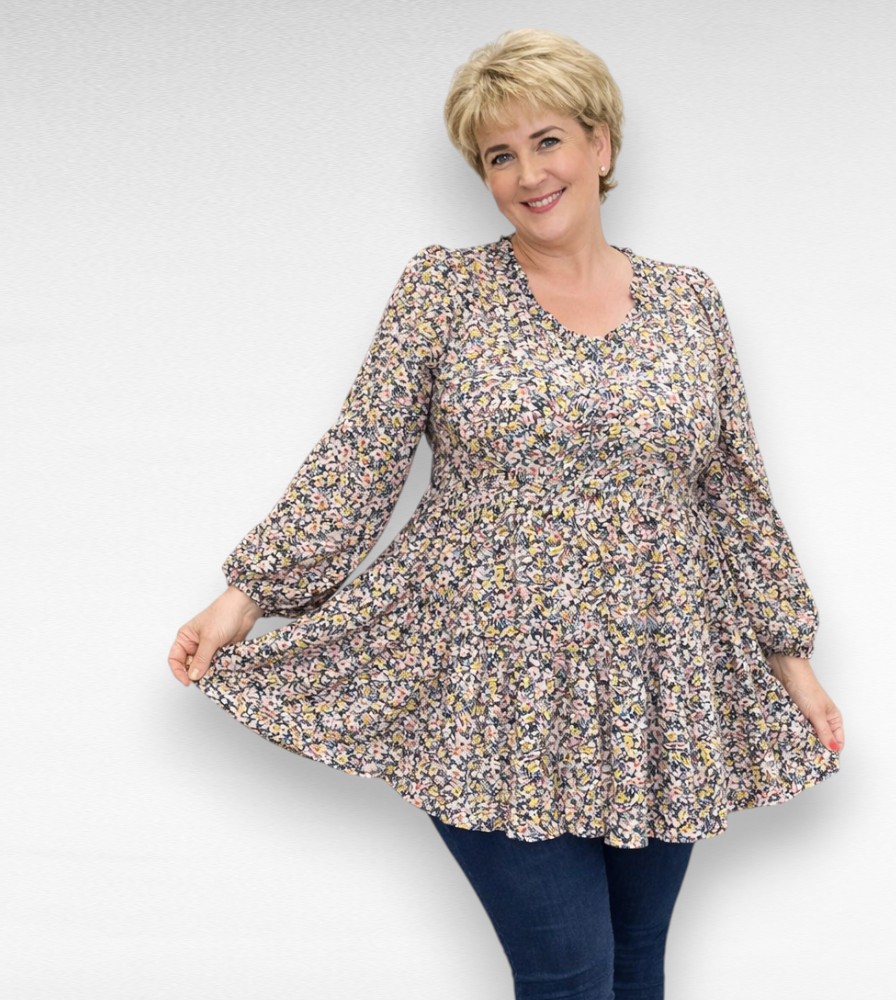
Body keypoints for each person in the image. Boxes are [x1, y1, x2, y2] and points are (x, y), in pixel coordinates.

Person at [169, 28, 844, 1000]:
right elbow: (362, 453)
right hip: (495, 692)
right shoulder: (443, 292)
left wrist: (792, 661)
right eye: (499, 155)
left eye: (548, 140)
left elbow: (732, 490)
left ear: (601, 144)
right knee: (569, 974)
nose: (528, 174)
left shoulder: (689, 302)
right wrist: (246, 597)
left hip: (658, 691)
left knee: (636, 968)